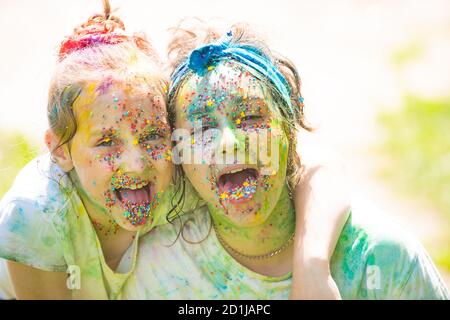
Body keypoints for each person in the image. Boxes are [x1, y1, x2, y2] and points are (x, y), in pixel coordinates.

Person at [121, 21, 450, 299]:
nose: (227, 143)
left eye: (250, 117)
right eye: (203, 127)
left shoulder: (379, 257)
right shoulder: (158, 271)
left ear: (289, 133)